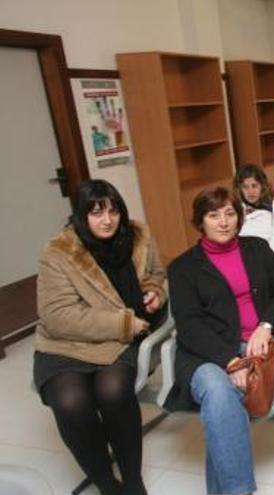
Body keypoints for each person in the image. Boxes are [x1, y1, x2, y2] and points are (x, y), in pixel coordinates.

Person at [34, 179, 167, 495]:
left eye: (112, 211)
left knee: (114, 392)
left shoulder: (137, 236)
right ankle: (108, 486)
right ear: (81, 215)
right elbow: (58, 317)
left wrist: (153, 293)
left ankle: (133, 483)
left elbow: (156, 275)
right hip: (65, 344)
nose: (107, 220)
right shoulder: (59, 252)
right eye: (96, 213)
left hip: (117, 344)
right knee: (71, 402)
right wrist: (123, 324)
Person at [164, 187, 274, 495]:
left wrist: (266, 325)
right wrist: (229, 360)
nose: (223, 222)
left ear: (239, 216)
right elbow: (189, 325)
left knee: (220, 407)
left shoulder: (257, 249)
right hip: (203, 353)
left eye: (229, 213)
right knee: (218, 391)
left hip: (255, 346)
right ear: (200, 222)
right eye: (213, 215)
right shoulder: (183, 267)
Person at [233, 163, 274, 256]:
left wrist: (262, 258)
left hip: (270, 256)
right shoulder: (236, 207)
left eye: (254, 186)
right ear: (239, 188)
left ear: (263, 185)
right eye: (245, 187)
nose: (250, 191)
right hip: (242, 256)